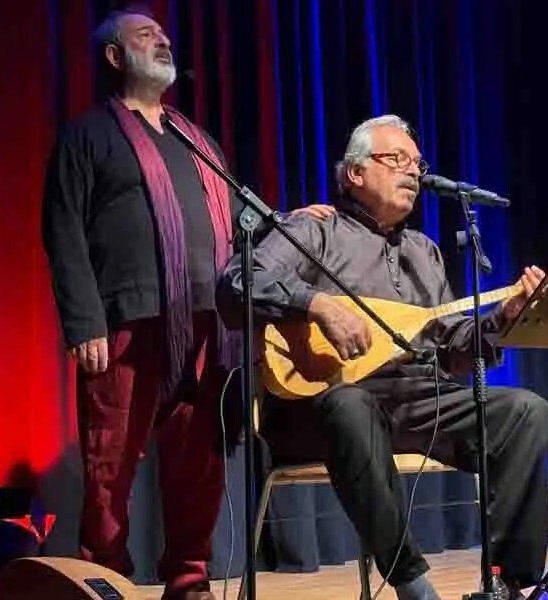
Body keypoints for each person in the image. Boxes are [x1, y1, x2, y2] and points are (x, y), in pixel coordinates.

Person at [42, 8, 332, 599]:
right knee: (109, 463)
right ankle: (107, 578)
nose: (164, 41)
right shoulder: (87, 135)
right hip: (128, 319)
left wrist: (290, 222)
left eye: (164, 34)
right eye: (146, 35)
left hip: (208, 322)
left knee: (198, 463)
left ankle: (189, 580)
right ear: (115, 57)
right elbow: (62, 229)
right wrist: (83, 320)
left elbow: (237, 226)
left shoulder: (194, 139)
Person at [217, 115, 548, 599]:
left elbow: (452, 347)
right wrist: (317, 303)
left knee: (525, 412)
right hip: (321, 406)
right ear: (355, 173)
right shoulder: (314, 231)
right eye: (396, 160)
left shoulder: (424, 252)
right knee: (350, 406)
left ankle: (507, 584)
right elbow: (237, 281)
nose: (412, 173)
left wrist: (503, 320)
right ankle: (411, 582)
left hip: (414, 396)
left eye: (417, 164)